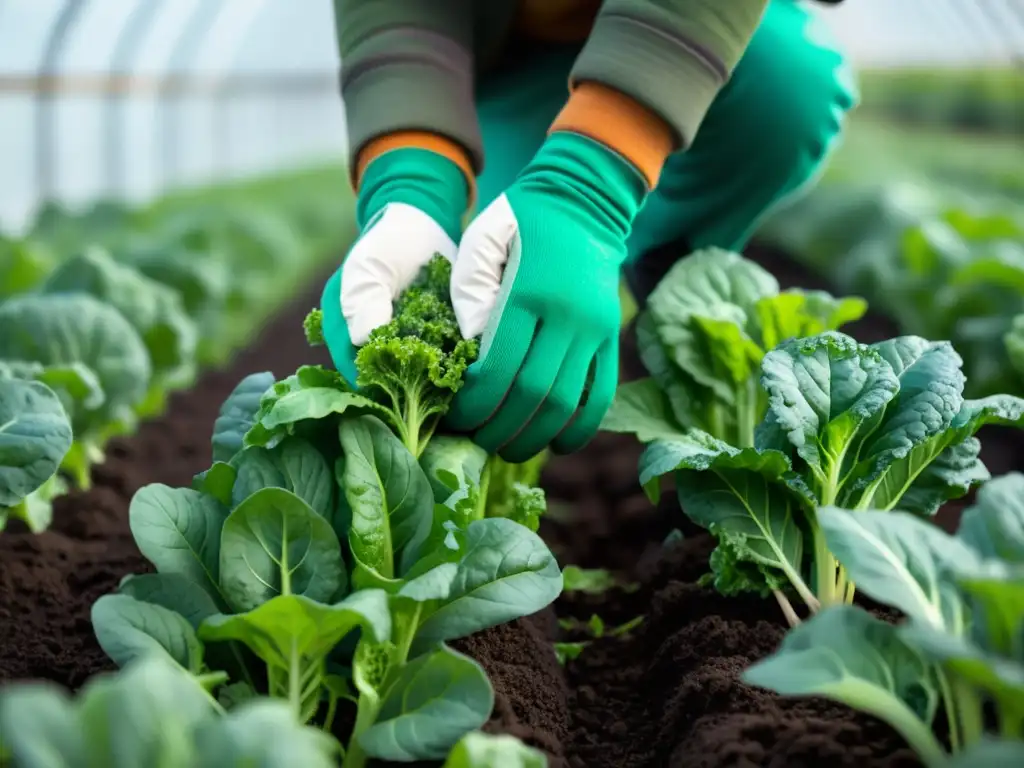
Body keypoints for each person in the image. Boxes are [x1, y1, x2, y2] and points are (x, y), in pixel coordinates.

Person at [320, 0, 857, 463]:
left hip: (696, 43)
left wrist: (591, 182)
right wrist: (411, 179)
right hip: (509, 68)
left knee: (785, 90)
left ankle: (667, 269)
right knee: (488, 303)